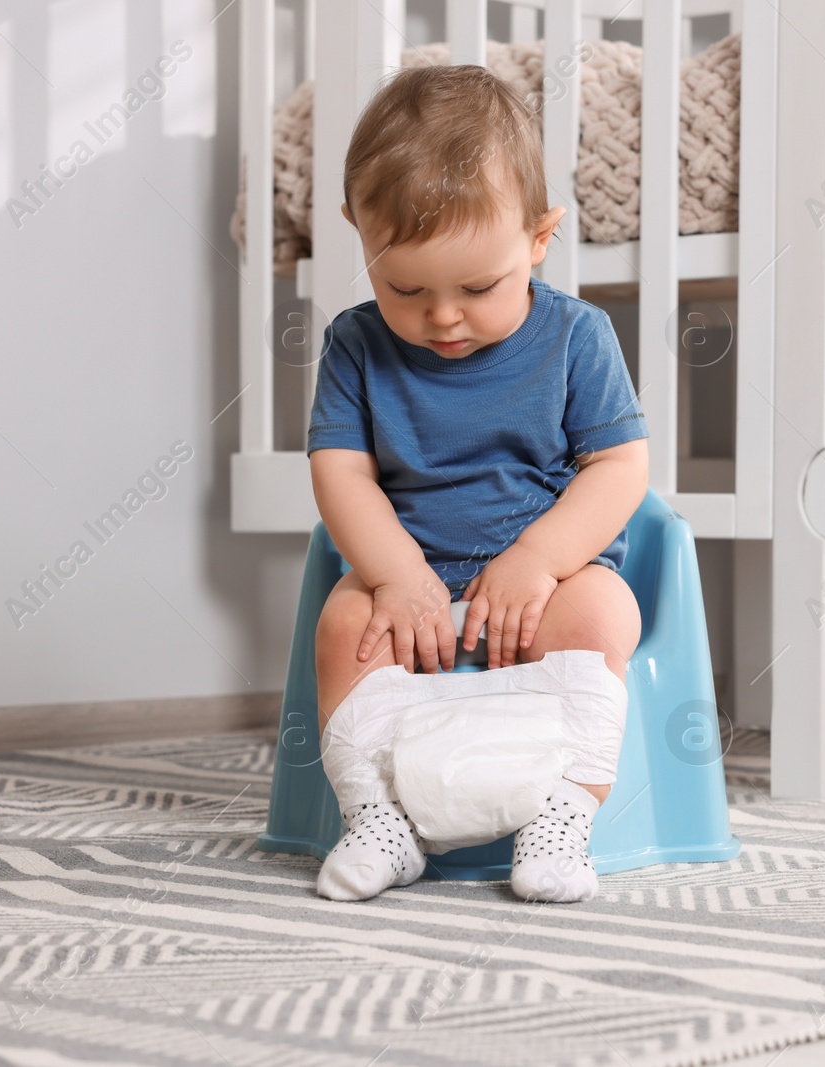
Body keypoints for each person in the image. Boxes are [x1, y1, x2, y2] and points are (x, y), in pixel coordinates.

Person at [305, 63, 649, 903]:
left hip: (543, 585)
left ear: (539, 237)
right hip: (409, 582)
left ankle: (564, 816)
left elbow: (620, 466)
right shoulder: (355, 344)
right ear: (358, 235)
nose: (444, 315)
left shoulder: (579, 336)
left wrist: (537, 560)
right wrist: (396, 575)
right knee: (343, 627)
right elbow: (339, 470)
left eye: (480, 286)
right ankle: (377, 818)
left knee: (608, 613)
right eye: (406, 287)